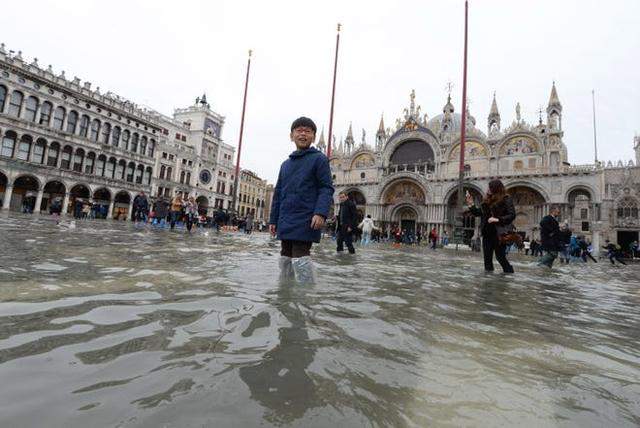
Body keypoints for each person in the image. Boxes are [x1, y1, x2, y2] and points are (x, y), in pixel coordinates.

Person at [269, 117, 334, 283]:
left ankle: (305, 298)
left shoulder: (319, 159)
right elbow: (278, 193)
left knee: (300, 256)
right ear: (292, 136)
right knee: (285, 255)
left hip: (306, 217)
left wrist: (320, 213)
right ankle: (285, 291)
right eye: (299, 130)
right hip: (285, 217)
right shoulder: (285, 164)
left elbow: (326, 188)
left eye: (308, 131)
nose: (303, 134)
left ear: (313, 136)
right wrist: (273, 220)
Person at [466, 179, 516, 273]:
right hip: (487, 234)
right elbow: (479, 213)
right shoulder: (487, 200)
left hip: (499, 233)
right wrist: (471, 204)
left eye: (490, 187)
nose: (488, 189)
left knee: (500, 257)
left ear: (496, 188)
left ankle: (509, 274)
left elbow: (512, 215)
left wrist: (497, 219)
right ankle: (488, 281)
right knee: (487, 260)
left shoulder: (506, 199)